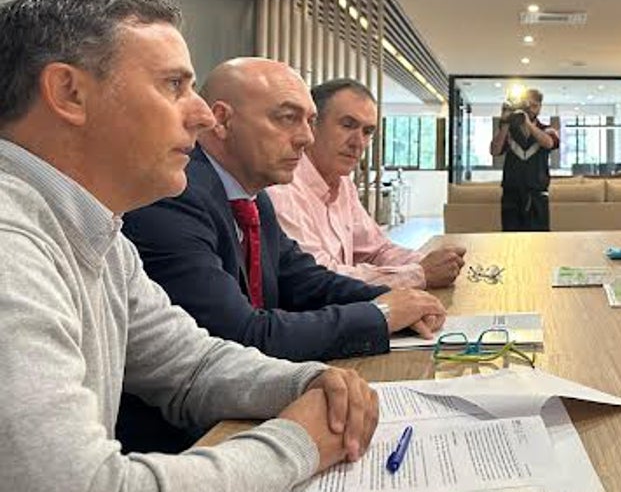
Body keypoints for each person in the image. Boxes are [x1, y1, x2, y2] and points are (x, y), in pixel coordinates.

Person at [0, 0, 378, 491]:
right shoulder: (11, 244)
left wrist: (309, 381)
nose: (203, 115)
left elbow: (190, 364)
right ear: (70, 93)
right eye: (174, 85)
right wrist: (301, 441)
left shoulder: (99, 234)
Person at [118, 58, 445, 453]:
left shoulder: (252, 196)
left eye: (309, 121)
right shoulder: (175, 197)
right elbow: (241, 335)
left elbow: (305, 280)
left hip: (241, 410)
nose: (306, 138)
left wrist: (393, 303)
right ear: (220, 120)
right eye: (288, 119)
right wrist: (381, 315)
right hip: (182, 443)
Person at [268, 77, 466, 288]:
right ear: (311, 126)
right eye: (347, 125)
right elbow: (319, 278)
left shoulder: (344, 185)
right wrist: (419, 274)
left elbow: (377, 250)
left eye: (367, 131)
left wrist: (427, 262)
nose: (358, 143)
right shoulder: (282, 188)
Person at [489, 88, 559, 231]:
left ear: (540, 108)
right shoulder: (509, 132)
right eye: (527, 106)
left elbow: (549, 143)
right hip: (511, 193)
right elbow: (494, 150)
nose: (530, 110)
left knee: (539, 239)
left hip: (537, 194)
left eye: (534, 106)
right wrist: (505, 123)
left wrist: (527, 123)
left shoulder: (547, 129)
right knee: (510, 239)